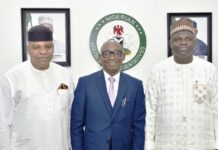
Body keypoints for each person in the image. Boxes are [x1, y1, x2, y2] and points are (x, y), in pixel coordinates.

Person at [145, 18, 218, 149]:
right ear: (170, 43)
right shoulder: (158, 70)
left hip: (202, 143)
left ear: (195, 42)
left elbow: (216, 108)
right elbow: (150, 110)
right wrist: (149, 144)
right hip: (166, 143)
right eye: (177, 39)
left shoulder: (209, 69)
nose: (183, 43)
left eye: (189, 39)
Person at [0, 25, 74, 150]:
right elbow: (3, 122)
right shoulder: (12, 78)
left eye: (48, 46)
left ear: (53, 48)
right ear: (28, 49)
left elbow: (70, 115)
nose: (43, 51)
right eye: (36, 47)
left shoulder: (65, 75)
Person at [70, 39, 145, 150]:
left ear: (123, 57)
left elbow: (139, 125)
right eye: (106, 53)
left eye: (117, 53)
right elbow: (76, 125)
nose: (112, 57)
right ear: (100, 58)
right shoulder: (85, 84)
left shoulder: (135, 85)